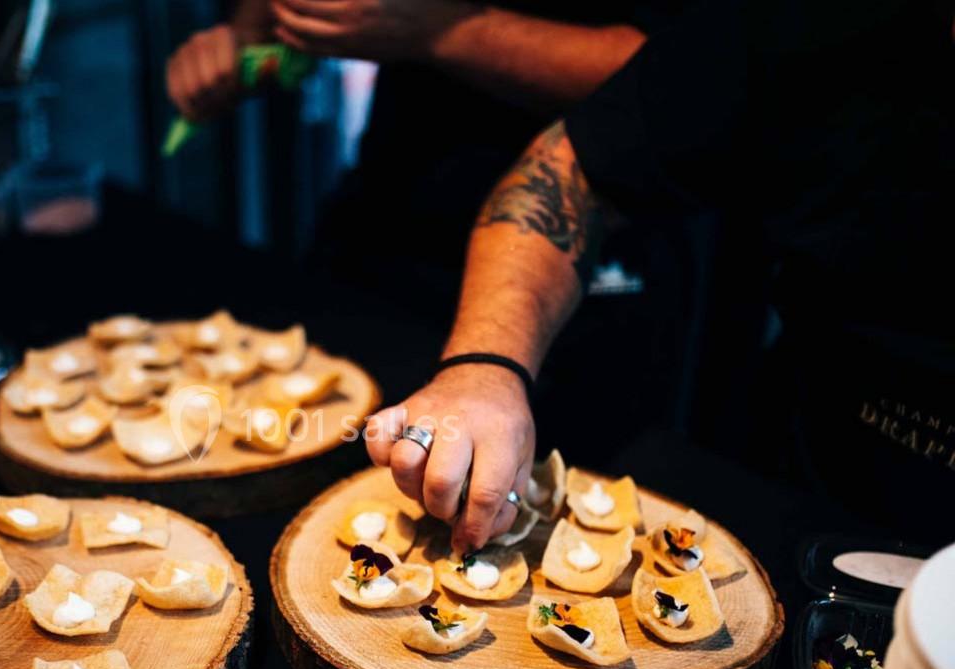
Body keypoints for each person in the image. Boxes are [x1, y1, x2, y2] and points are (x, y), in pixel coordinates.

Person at [364, 0, 955, 552]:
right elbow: (574, 166)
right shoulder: (835, 21)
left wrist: (444, 32)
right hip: (815, 475)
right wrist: (486, 368)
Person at [166, 1, 682, 285]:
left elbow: (688, 80)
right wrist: (244, 44)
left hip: (594, 251)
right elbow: (274, 26)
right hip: (387, 218)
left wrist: (439, 32)